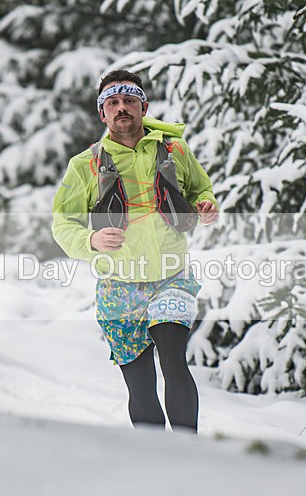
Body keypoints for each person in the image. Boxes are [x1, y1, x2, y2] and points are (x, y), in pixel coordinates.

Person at [52, 70, 218, 432]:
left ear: (144, 107)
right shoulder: (86, 164)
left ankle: (190, 451)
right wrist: (90, 242)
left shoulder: (174, 150)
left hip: (171, 278)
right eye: (112, 103)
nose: (121, 108)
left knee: (173, 359)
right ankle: (154, 459)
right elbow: (62, 223)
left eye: (129, 101)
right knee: (140, 384)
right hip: (118, 286)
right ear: (102, 114)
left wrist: (204, 205)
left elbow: (201, 189)